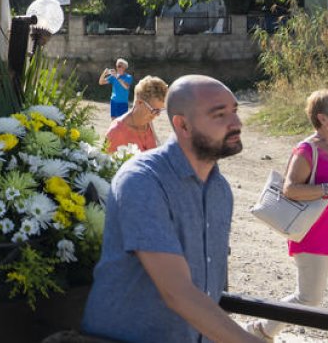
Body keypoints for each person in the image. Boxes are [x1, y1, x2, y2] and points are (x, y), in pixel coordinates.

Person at [81, 75, 263, 343]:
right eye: (219, 114)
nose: (236, 123)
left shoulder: (219, 189)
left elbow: (209, 287)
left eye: (234, 111)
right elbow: (176, 291)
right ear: (182, 125)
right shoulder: (143, 180)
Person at [245, 90, 328, 342]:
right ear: (322, 118)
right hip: (315, 234)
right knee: (309, 298)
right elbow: (290, 188)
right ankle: (260, 331)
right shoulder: (306, 149)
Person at [103, 75, 168, 153]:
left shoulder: (148, 123)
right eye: (154, 110)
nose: (158, 115)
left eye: (160, 110)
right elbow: (106, 163)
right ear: (139, 103)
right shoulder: (116, 132)